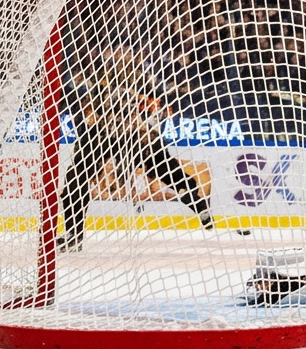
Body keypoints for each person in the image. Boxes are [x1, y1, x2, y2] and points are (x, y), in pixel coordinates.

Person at [56, 47, 211, 251]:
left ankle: (74, 234)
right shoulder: (110, 86)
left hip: (120, 135)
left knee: (77, 180)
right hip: (119, 134)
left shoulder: (131, 87)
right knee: (77, 180)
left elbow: (150, 111)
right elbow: (88, 110)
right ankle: (74, 233)